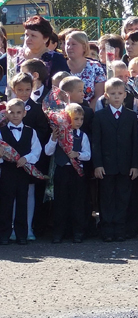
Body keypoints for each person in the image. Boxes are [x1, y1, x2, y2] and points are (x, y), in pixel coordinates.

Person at [93, 78, 138, 242]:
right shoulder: (99, 116)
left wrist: (135, 165)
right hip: (106, 165)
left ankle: (120, 229)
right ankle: (107, 229)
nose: (117, 97)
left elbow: (135, 143)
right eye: (113, 94)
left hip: (125, 166)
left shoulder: (131, 116)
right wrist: (97, 164)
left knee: (123, 197)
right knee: (106, 198)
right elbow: (96, 143)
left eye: (120, 93)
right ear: (106, 95)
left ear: (125, 95)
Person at [10, 73, 50, 240]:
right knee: (10, 195)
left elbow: (43, 131)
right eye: (20, 89)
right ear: (13, 89)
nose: (24, 93)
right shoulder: (7, 108)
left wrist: (29, 149)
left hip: (31, 158)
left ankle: (28, 228)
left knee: (29, 193)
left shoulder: (38, 108)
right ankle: (11, 228)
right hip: (10, 159)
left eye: (27, 89)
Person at [45, 103, 90, 243]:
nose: (79, 122)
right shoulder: (59, 134)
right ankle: (58, 233)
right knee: (60, 203)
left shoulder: (83, 136)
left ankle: (77, 232)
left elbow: (88, 154)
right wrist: (53, 139)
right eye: (75, 118)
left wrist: (78, 154)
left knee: (77, 203)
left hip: (76, 172)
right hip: (62, 170)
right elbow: (48, 151)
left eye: (81, 119)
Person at [0, 99, 42, 245]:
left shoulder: (31, 132)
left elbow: (37, 150)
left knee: (22, 202)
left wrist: (27, 158)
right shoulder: (2, 131)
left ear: (24, 113)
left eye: (19, 112)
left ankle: (22, 234)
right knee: (6, 202)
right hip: (7, 171)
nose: (15, 115)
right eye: (11, 112)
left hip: (24, 171)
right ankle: (4, 234)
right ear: (6, 113)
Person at [2, 16, 69, 89]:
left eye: (33, 36)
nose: (28, 39)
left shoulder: (57, 59)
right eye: (26, 35)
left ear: (46, 38)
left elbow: (64, 87)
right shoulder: (14, 55)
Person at [65, 31, 107, 110]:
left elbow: (99, 95)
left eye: (73, 44)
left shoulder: (95, 66)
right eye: (67, 44)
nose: (69, 47)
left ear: (84, 47)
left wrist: (86, 113)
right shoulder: (60, 65)